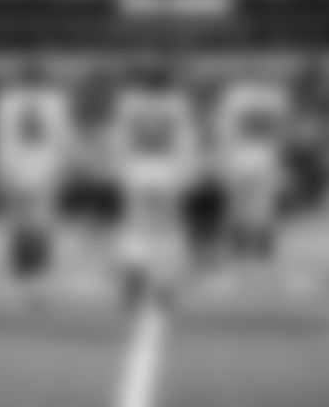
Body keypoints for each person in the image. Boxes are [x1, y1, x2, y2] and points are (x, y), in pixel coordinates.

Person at [105, 60, 202, 308]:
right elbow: (186, 142)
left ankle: (134, 275)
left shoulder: (128, 103)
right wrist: (187, 174)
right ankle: (165, 284)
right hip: (168, 172)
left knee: (136, 226)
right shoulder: (178, 104)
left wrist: (119, 172)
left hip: (137, 171)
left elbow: (118, 140)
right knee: (167, 229)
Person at [0, 60, 77, 296]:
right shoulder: (12, 101)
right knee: (29, 225)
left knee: (34, 225)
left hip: (36, 169)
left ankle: (33, 274)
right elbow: (0, 137)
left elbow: (63, 138)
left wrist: (64, 168)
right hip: (27, 169)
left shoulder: (50, 102)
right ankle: (29, 274)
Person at [211, 73, 291, 263]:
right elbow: (283, 132)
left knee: (241, 203)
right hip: (265, 156)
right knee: (262, 204)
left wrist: (222, 158)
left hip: (241, 156)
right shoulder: (275, 98)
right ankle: (261, 243)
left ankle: (244, 242)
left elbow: (223, 130)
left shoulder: (235, 97)